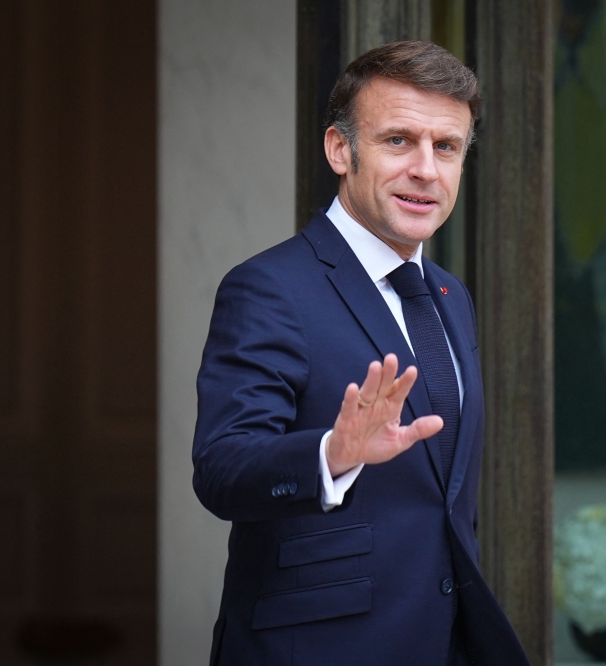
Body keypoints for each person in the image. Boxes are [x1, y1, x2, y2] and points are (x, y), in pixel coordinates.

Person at [192, 41, 530, 665]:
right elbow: (221, 470)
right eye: (399, 141)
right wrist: (331, 454)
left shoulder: (451, 296)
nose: (426, 169)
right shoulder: (269, 288)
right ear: (340, 150)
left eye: (447, 147)